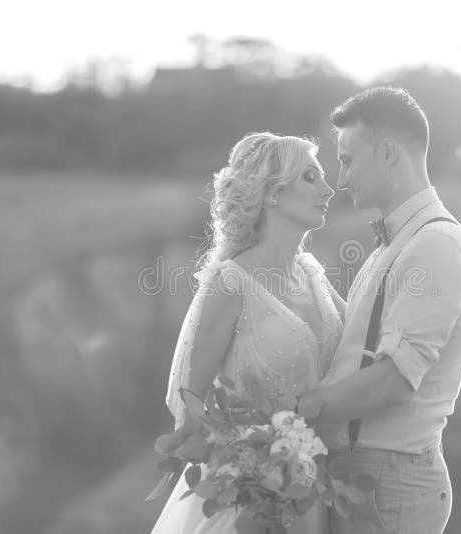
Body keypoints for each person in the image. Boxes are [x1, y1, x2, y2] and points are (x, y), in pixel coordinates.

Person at [298, 86, 461, 534]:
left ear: (387, 152)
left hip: (389, 483)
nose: (341, 179)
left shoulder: (436, 245)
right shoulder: (398, 244)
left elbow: (394, 379)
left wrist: (296, 410)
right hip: (369, 478)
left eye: (347, 160)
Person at [151, 132, 339, 534]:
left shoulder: (312, 273)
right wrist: (251, 460)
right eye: (310, 176)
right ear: (273, 192)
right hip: (251, 505)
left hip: (315, 491)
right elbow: (190, 401)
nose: (329, 188)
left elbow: (361, 347)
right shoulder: (231, 283)